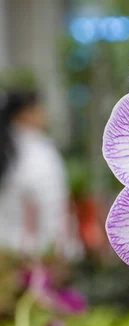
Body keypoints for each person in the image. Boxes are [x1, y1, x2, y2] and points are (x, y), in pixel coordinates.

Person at [0, 89, 74, 257]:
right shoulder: (39, 152)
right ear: (26, 113)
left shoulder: (7, 148)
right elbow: (53, 205)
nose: (44, 112)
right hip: (36, 254)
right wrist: (63, 248)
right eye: (39, 107)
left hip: (6, 251)